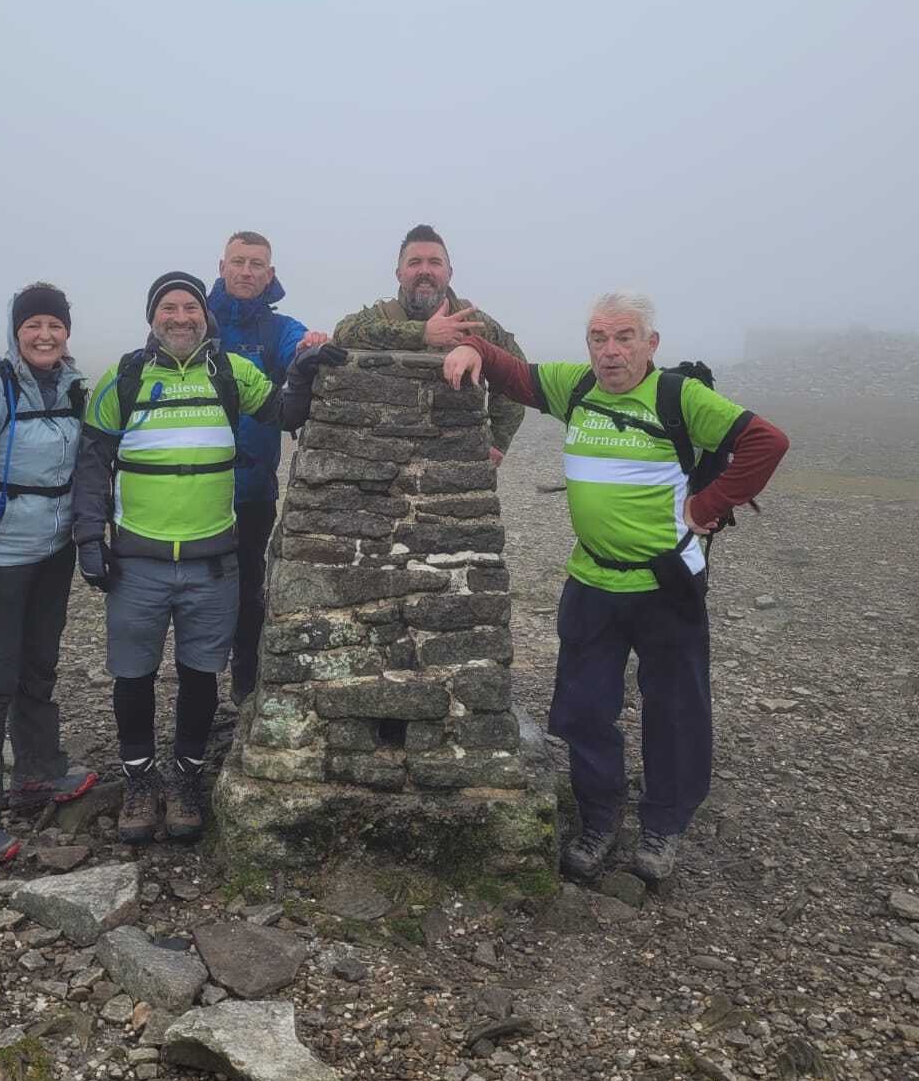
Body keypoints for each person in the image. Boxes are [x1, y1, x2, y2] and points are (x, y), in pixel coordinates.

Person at [443, 291, 789, 884]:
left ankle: (663, 825)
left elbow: (766, 442)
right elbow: (512, 372)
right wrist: (471, 347)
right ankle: (599, 818)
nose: (610, 351)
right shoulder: (575, 388)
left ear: (651, 345)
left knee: (676, 708)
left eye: (624, 337)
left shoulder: (681, 398)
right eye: (599, 339)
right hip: (592, 580)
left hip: (666, 583)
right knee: (582, 709)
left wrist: (707, 503)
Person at [71, 270, 340, 843]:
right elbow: (92, 464)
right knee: (133, 675)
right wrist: (89, 538)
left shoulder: (231, 371)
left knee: (200, 673)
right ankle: (141, 782)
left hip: (212, 561)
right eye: (168, 307)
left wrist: (305, 370)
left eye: (190, 307)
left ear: (205, 317)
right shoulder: (122, 377)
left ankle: (187, 778)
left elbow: (287, 414)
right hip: (136, 563)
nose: (180, 317)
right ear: (152, 318)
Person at [0, 284, 98, 866]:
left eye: (55, 324)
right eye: (34, 325)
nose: (45, 335)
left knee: (37, 668)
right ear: (16, 330)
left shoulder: (77, 387)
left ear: (67, 332)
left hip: (53, 555)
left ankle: (37, 772)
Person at [207, 230, 328, 705]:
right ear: (222, 266)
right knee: (193, 587)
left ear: (270, 274)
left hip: (252, 486)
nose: (246, 272)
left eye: (257, 264)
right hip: (191, 486)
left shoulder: (278, 330)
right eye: (238, 262)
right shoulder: (193, 317)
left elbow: (301, 349)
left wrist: (314, 345)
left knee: (249, 587)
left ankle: (244, 680)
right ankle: (194, 679)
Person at [333, 222, 528, 465]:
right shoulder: (381, 316)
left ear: (449, 272)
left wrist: (498, 440)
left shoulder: (474, 323)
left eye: (435, 262)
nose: (425, 270)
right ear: (399, 273)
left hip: (458, 460)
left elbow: (517, 374)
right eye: (415, 262)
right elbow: (343, 333)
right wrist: (422, 333)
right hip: (384, 463)